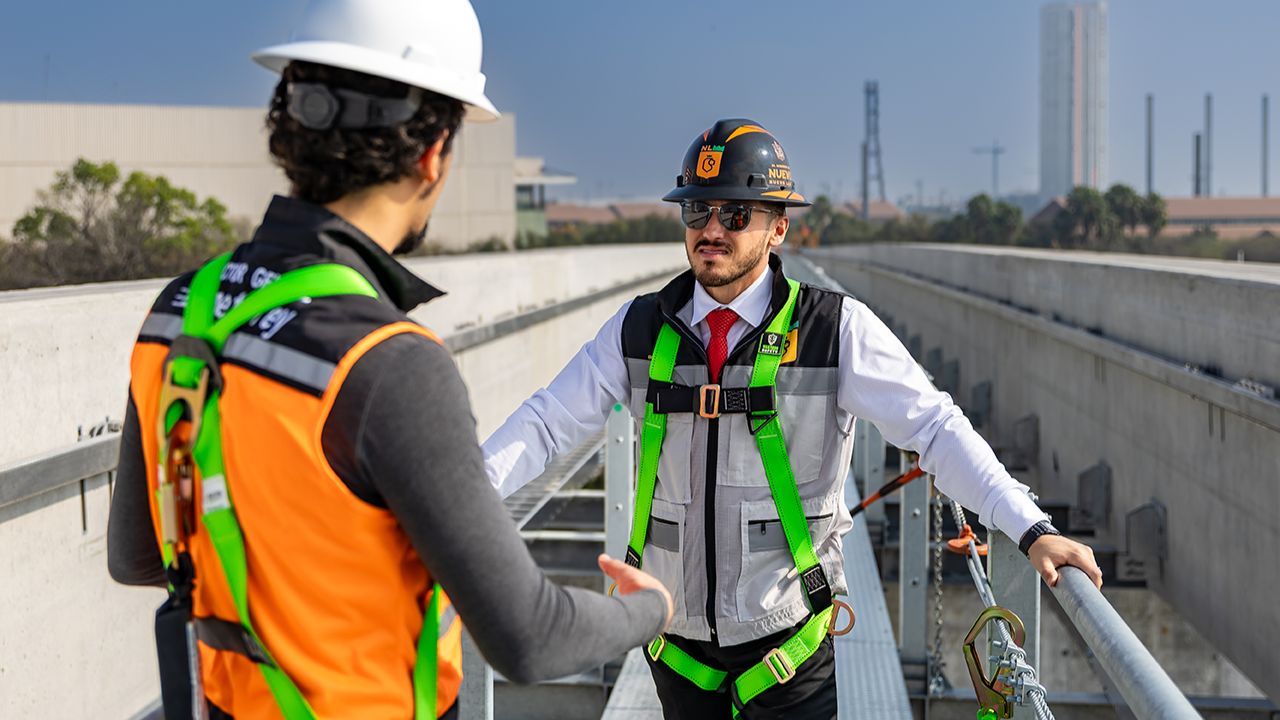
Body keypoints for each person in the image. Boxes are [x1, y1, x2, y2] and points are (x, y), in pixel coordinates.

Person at [105, 1, 671, 717]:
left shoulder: (180, 311)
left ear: (292, 125)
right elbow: (531, 637)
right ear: (433, 153)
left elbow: (138, 556)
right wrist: (648, 610)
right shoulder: (388, 364)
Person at [482, 118, 1103, 719]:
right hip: (673, 646)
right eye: (696, 211)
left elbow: (935, 428)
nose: (711, 229)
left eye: (735, 214)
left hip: (787, 653)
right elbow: (547, 423)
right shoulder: (641, 327)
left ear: (778, 228)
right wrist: (456, 504)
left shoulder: (834, 330)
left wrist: (1030, 527)